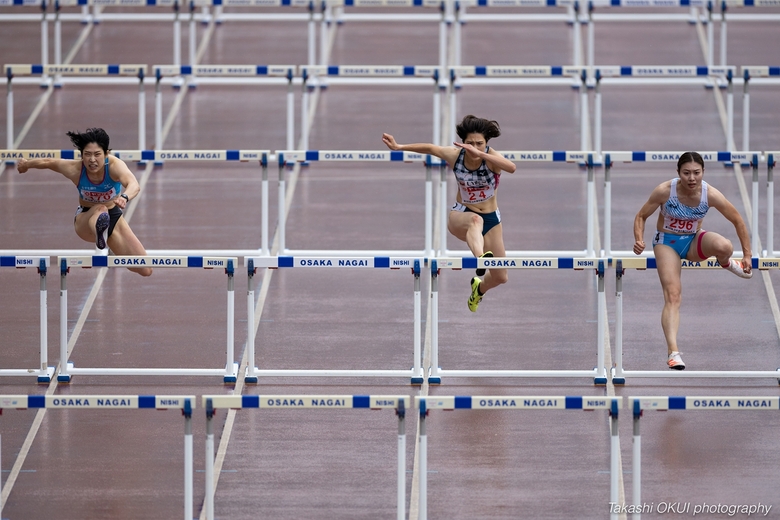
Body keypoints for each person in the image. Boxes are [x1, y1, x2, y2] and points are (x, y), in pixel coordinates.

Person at [382, 115, 517, 312]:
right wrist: (399, 146)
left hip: (492, 219)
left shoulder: (492, 159)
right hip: (462, 215)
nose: (474, 147)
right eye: (469, 143)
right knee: (474, 220)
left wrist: (482, 154)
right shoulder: (456, 156)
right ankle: (481, 258)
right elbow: (430, 148)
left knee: (500, 276)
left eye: (479, 144)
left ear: (486, 143)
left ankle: (478, 289)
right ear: (463, 142)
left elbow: (512, 168)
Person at [633, 151, 751, 370]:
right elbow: (641, 216)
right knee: (674, 295)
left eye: (696, 173)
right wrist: (639, 240)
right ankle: (673, 353)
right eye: (686, 173)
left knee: (725, 246)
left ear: (703, 172)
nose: (691, 178)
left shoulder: (711, 194)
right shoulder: (664, 191)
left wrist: (747, 255)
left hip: (693, 240)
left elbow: (738, 220)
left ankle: (726, 262)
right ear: (678, 173)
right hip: (667, 242)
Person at [16, 128, 152, 276]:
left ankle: (107, 237)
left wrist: (124, 197)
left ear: (106, 154)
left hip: (114, 217)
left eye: (97, 154)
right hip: (85, 219)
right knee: (101, 208)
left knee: (145, 269)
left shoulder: (114, 166)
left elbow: (134, 185)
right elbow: (49, 162)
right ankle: (100, 233)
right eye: (87, 154)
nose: (92, 160)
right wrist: (26, 164)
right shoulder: (75, 169)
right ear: (82, 155)